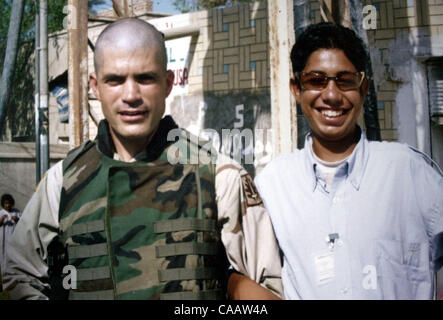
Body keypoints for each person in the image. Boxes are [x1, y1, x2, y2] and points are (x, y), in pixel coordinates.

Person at [3, 18, 282, 300]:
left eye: (145, 78)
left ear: (168, 83)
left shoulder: (219, 176)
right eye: (115, 80)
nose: (131, 95)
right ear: (96, 87)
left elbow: (267, 292)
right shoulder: (62, 182)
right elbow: (17, 276)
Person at [251, 22, 442, 299]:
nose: (331, 95)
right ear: (296, 89)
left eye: (345, 80)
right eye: (316, 80)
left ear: (363, 88)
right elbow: (244, 276)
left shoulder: (407, 171)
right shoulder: (273, 185)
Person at [0, 194, 21, 277]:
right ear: (3, 204)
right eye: (5, 203)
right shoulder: (1, 213)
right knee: (4, 254)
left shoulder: (16, 212)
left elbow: (23, 222)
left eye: (9, 203)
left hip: (14, 238)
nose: (7, 205)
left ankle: (14, 274)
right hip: (4, 238)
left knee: (14, 255)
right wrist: (2, 220)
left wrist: (17, 219)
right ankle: (4, 274)